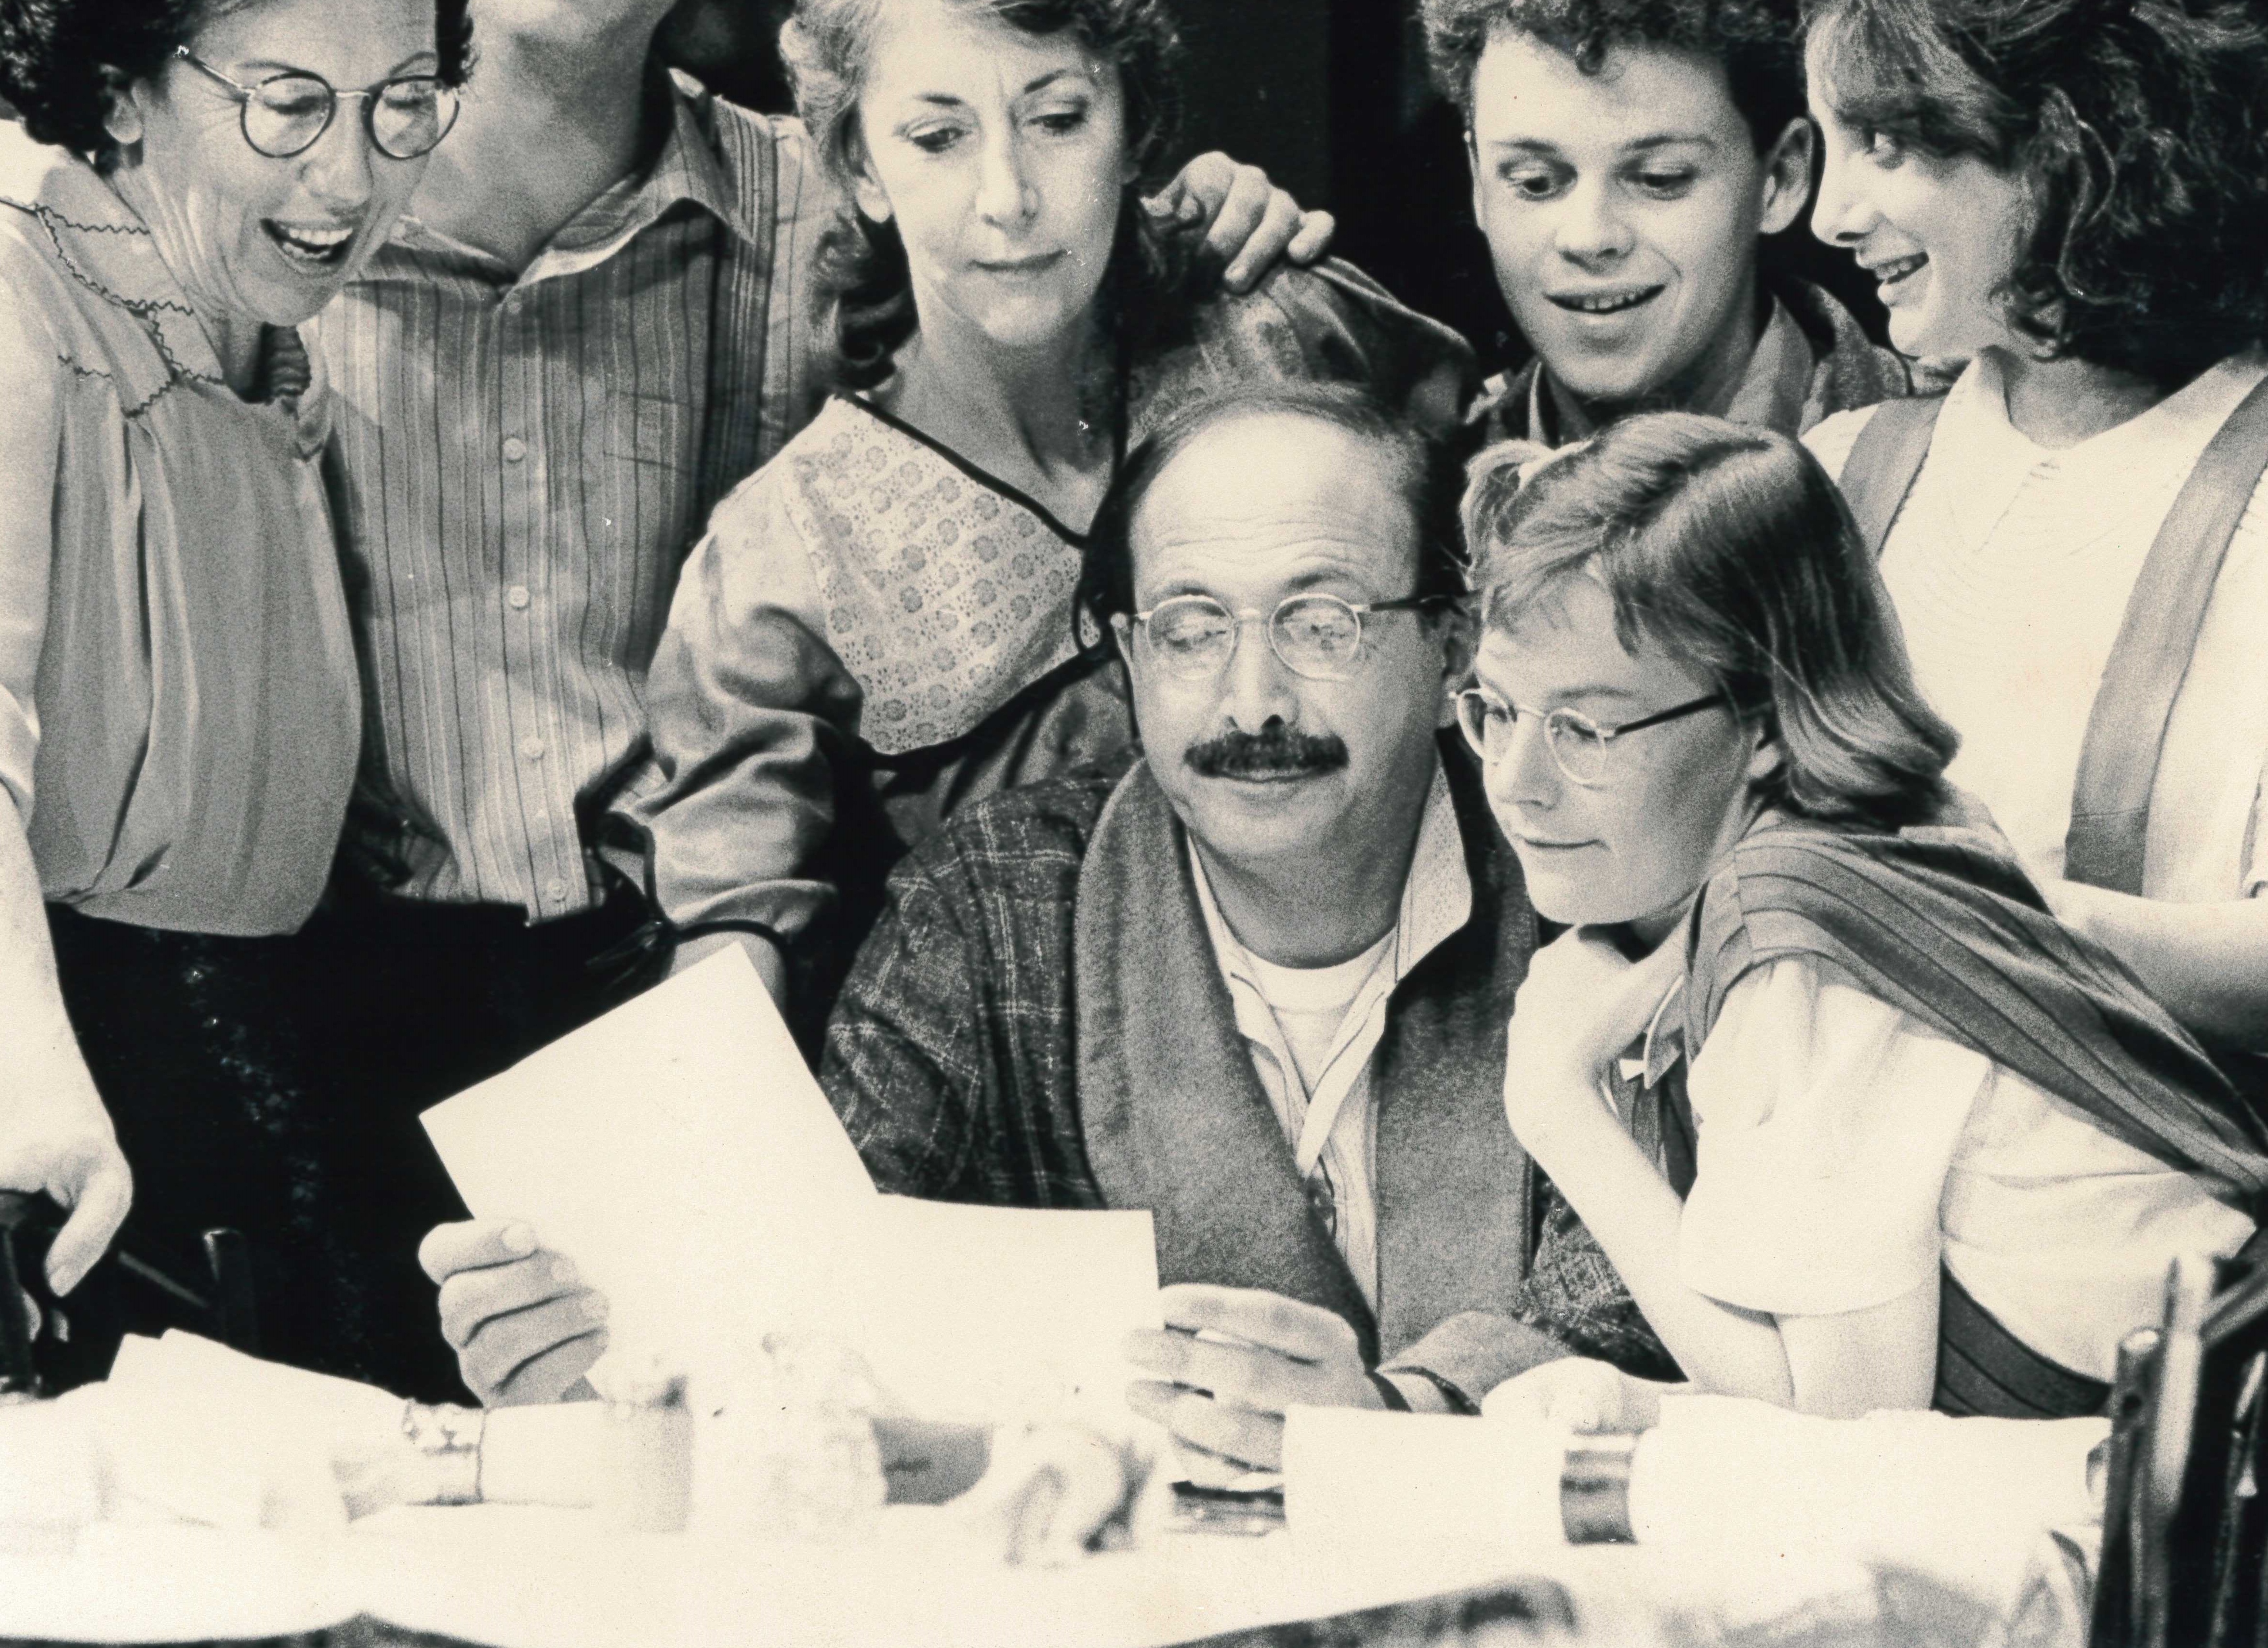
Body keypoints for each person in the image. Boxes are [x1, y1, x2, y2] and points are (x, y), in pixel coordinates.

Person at [304, 0, 1330, 1390]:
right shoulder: (282, 235)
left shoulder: (826, 205)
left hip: (752, 1010)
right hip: (362, 1033)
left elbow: (1030, 225)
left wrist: (1202, 234)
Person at [422, 386, 1660, 1463]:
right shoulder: (999, 902)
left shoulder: (1577, 880)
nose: (1251, 698)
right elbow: (814, 1295)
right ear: (1123, 653)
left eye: (1319, 622)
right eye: (1186, 629)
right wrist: (603, 1368)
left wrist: (1403, 1417)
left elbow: (1638, 1299)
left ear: (1451, 647)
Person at [629, 0, 1473, 1026]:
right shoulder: (783, 556)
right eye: (937, 135)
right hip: (1023, 1147)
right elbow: (734, 936)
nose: (1008, 198)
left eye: (1059, 116)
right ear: (860, 166)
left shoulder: (1277, 329)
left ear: (1137, 123)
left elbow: (1509, 511)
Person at [1462, 414, 2265, 1426]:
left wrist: (1553, 1104)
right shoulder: (1871, 848)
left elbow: (1835, 1428)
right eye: (1493, 709)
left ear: (1758, 721)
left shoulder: (1797, 939)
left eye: (1584, 727)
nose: (1516, 784)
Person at [0, 0, 471, 1379]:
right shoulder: (13, 277)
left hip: (237, 1099)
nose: (351, 178)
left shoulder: (267, 336)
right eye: (289, 104)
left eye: (403, 103)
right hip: (57, 1092)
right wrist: (23, 1077)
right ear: (128, 85)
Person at [1800, 0, 2268, 1055]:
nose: (1829, 214)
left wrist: (2010, 926)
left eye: (1886, 143)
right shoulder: (1837, 480)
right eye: (1826, 145)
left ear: (2065, 141)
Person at [1413, 0, 1908, 448]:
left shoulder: (1952, 469)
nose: (1590, 238)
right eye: (1536, 183)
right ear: (1477, 181)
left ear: (1782, 177)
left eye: (1661, 178)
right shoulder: (1407, 504)